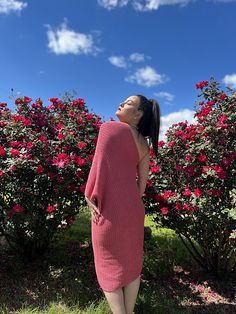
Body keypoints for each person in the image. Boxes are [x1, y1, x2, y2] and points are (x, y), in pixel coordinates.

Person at [84, 95, 160, 314]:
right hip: (133, 210)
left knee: (108, 264)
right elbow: (142, 187)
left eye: (127, 103)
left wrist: (90, 194)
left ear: (138, 114)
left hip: (109, 209)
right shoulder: (145, 145)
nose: (121, 103)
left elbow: (98, 167)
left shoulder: (109, 128)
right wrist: (129, 204)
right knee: (130, 265)